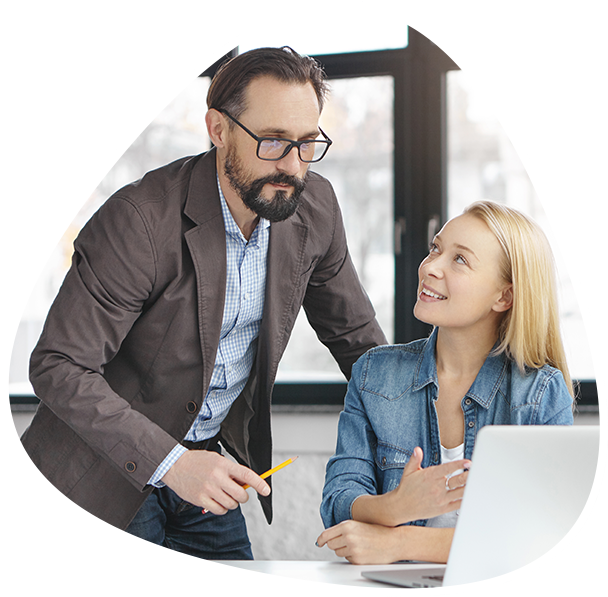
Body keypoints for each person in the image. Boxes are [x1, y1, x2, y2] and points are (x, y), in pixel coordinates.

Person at [2, 46, 387, 560]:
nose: (293, 166)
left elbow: (357, 341)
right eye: (273, 141)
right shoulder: (139, 220)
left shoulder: (314, 207)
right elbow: (58, 365)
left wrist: (424, 427)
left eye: (307, 143)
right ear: (218, 129)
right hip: (107, 467)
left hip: (204, 457)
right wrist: (173, 464)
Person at [316, 200, 574, 565]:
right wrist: (395, 507)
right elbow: (338, 501)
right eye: (435, 248)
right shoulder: (375, 373)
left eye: (460, 260)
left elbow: (544, 536)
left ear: (504, 296)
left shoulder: (539, 393)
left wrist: (400, 542)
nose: (430, 267)